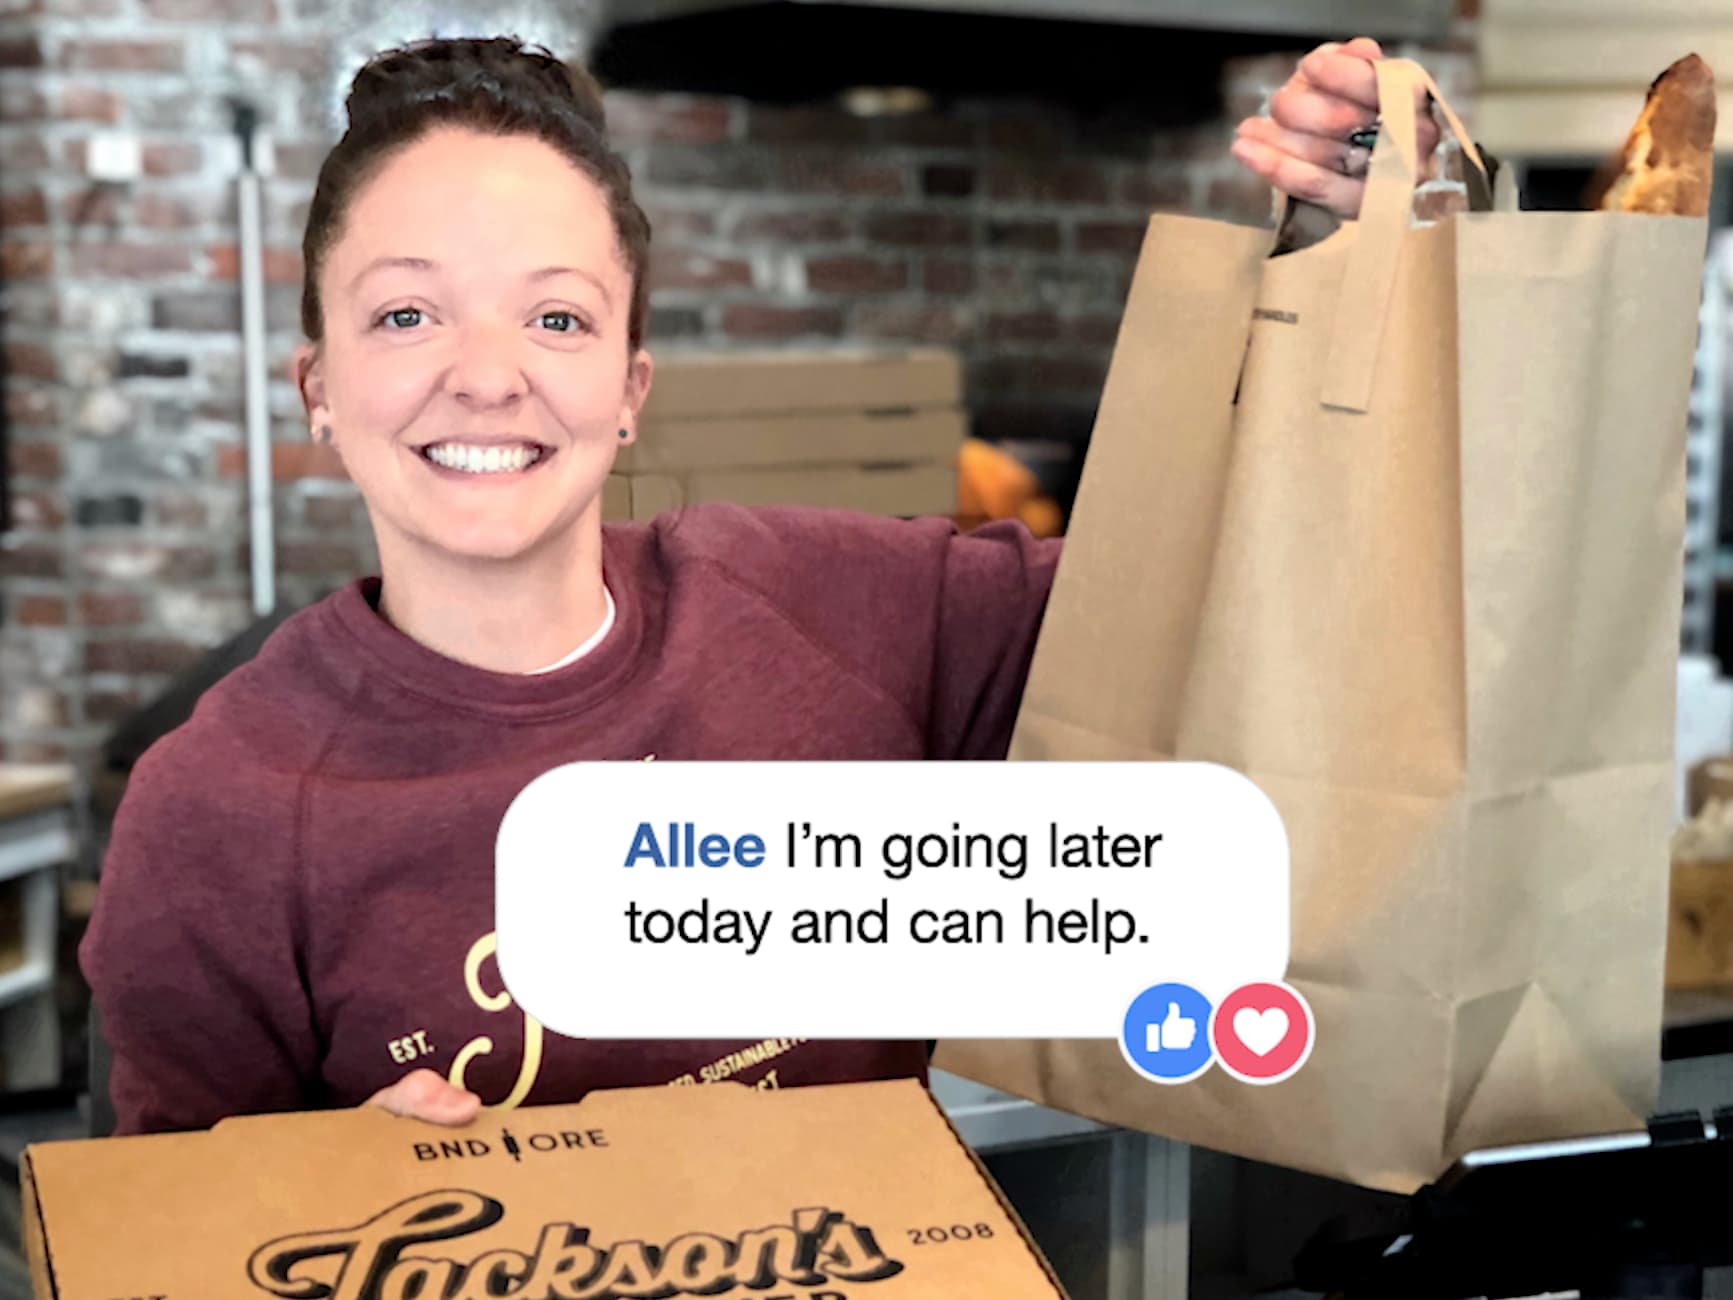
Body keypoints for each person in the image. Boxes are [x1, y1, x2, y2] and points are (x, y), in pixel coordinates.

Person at [79, 34, 1445, 1135]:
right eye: (404, 312)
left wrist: (1344, 254)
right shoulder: (220, 814)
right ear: (319, 385)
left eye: (556, 315)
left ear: (627, 390)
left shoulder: (837, 610)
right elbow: (164, 1250)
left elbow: (1237, 591)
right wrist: (321, 1200)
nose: (487, 372)